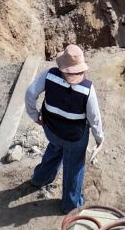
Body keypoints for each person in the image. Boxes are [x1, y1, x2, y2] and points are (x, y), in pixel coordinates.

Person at [22, 44, 103, 213]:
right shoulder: (87, 89)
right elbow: (94, 119)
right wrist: (99, 138)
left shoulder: (49, 75)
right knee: (74, 166)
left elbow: (30, 93)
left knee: (55, 148)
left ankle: (40, 178)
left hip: (51, 128)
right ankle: (70, 204)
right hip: (75, 137)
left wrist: (35, 115)